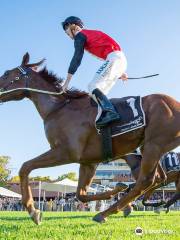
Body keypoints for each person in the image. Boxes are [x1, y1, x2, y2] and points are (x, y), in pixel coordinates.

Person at [61, 16, 128, 127]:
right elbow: (110, 48)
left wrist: (66, 82)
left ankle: (111, 113)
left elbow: (77, 58)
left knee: (92, 86)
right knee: (99, 94)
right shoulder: (89, 34)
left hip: (114, 58)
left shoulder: (80, 35)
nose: (67, 35)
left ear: (72, 27)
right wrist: (120, 72)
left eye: (66, 30)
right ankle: (108, 119)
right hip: (119, 59)